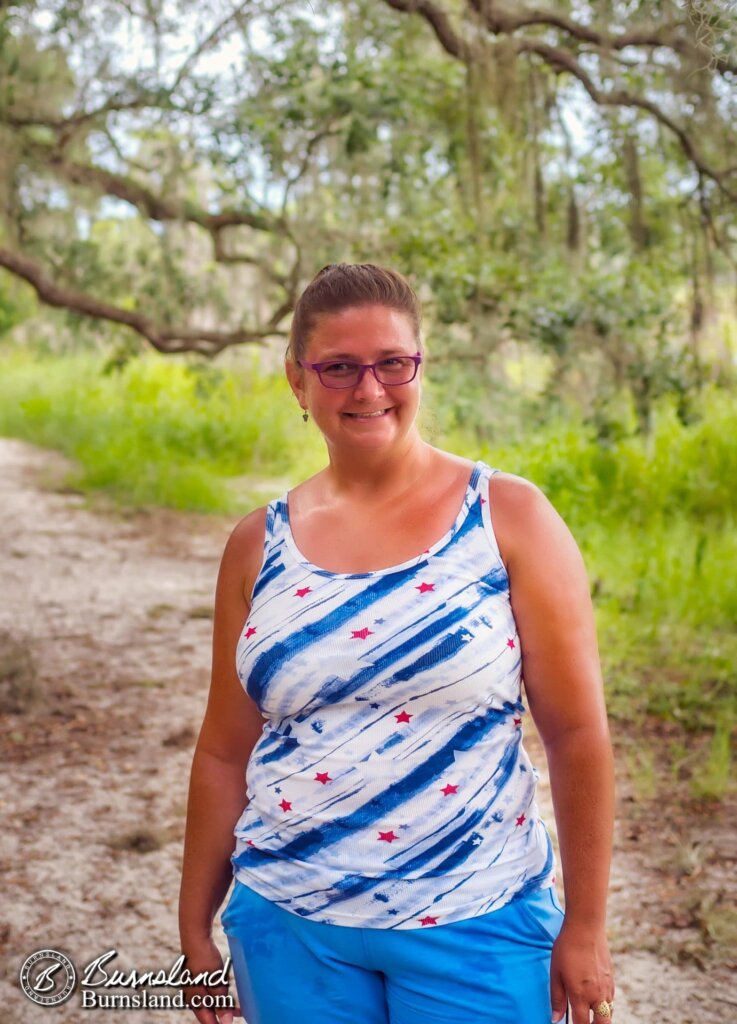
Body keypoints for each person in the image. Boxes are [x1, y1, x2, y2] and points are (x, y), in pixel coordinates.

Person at [178, 263, 615, 1024]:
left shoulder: (508, 517)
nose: (368, 389)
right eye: (338, 367)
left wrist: (584, 926)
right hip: (288, 924)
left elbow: (576, 735)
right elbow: (223, 749)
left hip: (477, 920)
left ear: (420, 368)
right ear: (297, 380)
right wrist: (194, 925)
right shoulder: (258, 543)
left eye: (392, 364)